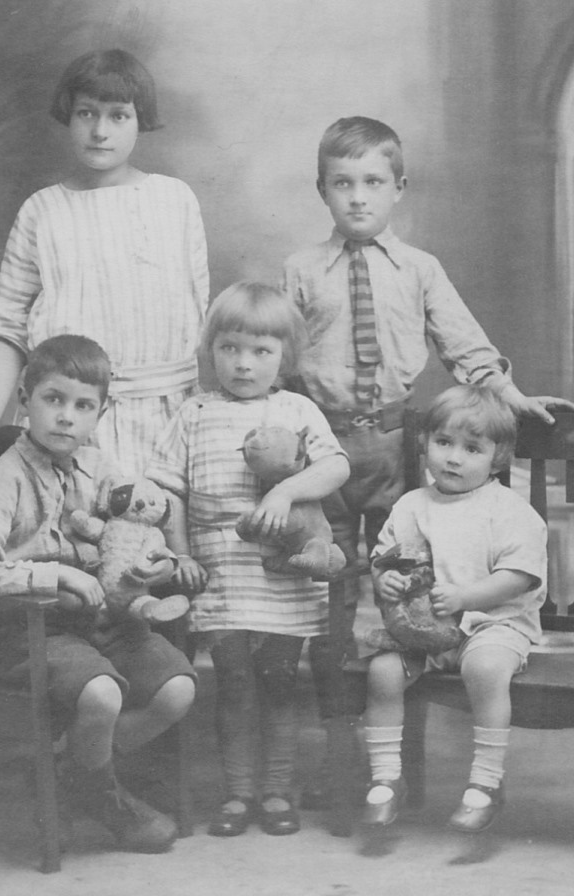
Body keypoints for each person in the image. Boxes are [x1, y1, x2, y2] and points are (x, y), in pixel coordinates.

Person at [282, 115, 571, 807]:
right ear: (321, 189)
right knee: (329, 601)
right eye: (342, 183)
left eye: (373, 183)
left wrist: (509, 393)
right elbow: (276, 360)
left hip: (392, 447)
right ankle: (340, 747)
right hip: (321, 446)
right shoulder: (299, 269)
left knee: (397, 589)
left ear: (398, 189)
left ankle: (397, 760)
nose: (358, 197)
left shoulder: (419, 270)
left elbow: (464, 345)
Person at [0, 335, 196, 853]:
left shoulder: (100, 466)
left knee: (178, 690)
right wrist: (53, 577)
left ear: (101, 411)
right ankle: (102, 791)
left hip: (108, 622)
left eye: (83, 405)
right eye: (53, 399)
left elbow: (135, 522)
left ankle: (71, 772)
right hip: (36, 627)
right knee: (102, 692)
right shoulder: (6, 477)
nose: (66, 417)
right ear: (24, 398)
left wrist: (155, 558)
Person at [146, 282, 350, 837]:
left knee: (281, 679)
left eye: (261, 351)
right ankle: (238, 793)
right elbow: (172, 495)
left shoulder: (296, 408)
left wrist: (284, 494)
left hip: (284, 569)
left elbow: (336, 468)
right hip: (222, 570)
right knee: (234, 682)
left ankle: (277, 791)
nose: (243, 363)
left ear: (285, 355)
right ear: (211, 348)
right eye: (231, 347)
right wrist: (182, 556)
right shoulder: (194, 413)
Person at [0, 48, 209, 477]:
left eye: (118, 116)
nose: (100, 131)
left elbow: (196, 315)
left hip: (166, 422)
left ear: (141, 120)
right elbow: (8, 326)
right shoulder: (41, 210)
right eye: (86, 113)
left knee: (159, 534)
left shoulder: (175, 201)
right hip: (66, 421)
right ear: (69, 115)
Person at [364, 384, 546, 832]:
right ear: (425, 443)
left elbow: (518, 576)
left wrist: (466, 597)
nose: (454, 458)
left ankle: (485, 782)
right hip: (423, 631)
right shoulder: (411, 505)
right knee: (383, 671)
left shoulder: (508, 509)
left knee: (484, 669)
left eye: (472, 448)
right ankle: (387, 777)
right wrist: (385, 579)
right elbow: (385, 559)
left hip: (491, 624)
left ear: (497, 458)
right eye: (444, 442)